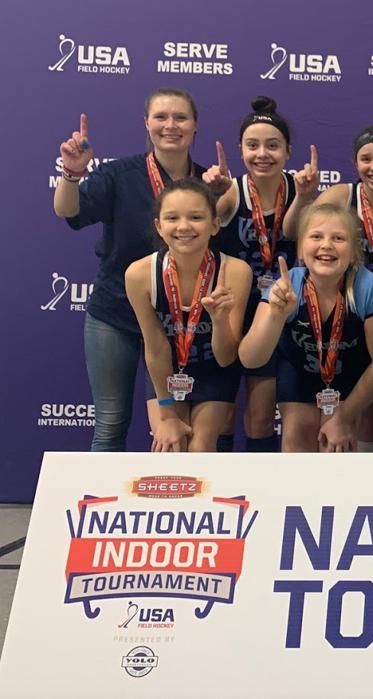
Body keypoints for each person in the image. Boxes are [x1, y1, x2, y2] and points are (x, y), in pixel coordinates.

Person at [54, 88, 207, 451]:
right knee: (109, 425)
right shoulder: (118, 174)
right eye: (161, 117)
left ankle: (171, 506)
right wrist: (72, 173)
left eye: (180, 118)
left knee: (175, 427)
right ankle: (103, 507)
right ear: (147, 124)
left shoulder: (209, 183)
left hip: (179, 323)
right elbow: (68, 211)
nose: (171, 125)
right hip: (116, 315)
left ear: (195, 126)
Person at [238, 202, 373, 452]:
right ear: (301, 246)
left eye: (338, 238)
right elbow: (250, 359)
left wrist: (344, 417)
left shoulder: (369, 287)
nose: (326, 245)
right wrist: (275, 317)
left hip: (353, 376)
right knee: (296, 435)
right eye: (316, 236)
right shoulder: (286, 286)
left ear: (354, 251)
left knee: (340, 445)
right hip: (300, 373)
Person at [203, 96, 307, 453]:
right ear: (240, 150)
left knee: (261, 417)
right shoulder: (230, 190)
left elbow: (299, 236)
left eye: (272, 145)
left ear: (288, 151)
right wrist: (210, 193)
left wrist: (306, 199)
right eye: (252, 145)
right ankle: (224, 499)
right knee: (225, 416)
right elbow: (204, 224)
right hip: (229, 311)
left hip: (276, 314)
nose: (262, 154)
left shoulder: (301, 190)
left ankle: (257, 496)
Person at [124, 178, 252, 452]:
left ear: (215, 224)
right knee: (169, 446)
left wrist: (219, 319)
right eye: (172, 218)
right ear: (159, 226)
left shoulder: (236, 272)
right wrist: (168, 416)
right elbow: (156, 348)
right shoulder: (139, 275)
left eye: (196, 217)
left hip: (214, 371)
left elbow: (227, 356)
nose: (183, 227)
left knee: (200, 449)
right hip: (166, 373)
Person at [301, 125, 373, 451]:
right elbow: (307, 242)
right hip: (335, 307)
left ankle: (370, 490)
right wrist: (304, 195)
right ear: (355, 163)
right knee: (321, 407)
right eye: (366, 159)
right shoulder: (339, 197)